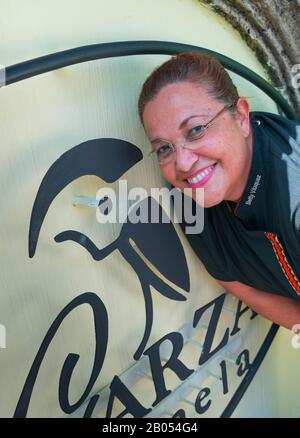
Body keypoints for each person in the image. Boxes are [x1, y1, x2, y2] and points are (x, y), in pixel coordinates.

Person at [138, 52, 300, 332]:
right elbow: (238, 284)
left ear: (241, 116)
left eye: (196, 130)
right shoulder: (189, 199)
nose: (183, 163)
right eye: (164, 148)